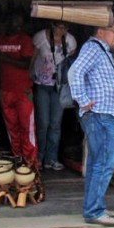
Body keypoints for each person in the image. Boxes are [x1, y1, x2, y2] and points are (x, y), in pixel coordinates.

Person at [67, 22, 114, 227]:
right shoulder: (93, 48)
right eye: (113, 31)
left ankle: (95, 204)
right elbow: (75, 72)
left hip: (103, 114)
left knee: (97, 163)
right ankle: (93, 210)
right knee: (104, 162)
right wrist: (82, 99)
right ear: (100, 32)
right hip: (99, 113)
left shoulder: (101, 50)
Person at [0, 13, 36, 164]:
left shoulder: (25, 40)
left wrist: (4, 58)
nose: (18, 25)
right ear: (8, 22)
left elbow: (25, 64)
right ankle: (18, 158)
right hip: (5, 90)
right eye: (15, 21)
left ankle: (30, 162)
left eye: (20, 22)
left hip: (23, 91)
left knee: (27, 127)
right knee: (12, 127)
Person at [31, 21, 77, 170]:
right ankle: (38, 158)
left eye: (65, 27)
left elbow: (71, 62)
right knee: (43, 123)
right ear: (52, 26)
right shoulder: (40, 37)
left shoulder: (70, 41)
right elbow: (32, 59)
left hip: (59, 86)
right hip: (41, 84)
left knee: (55, 124)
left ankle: (51, 158)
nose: (62, 30)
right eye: (59, 26)